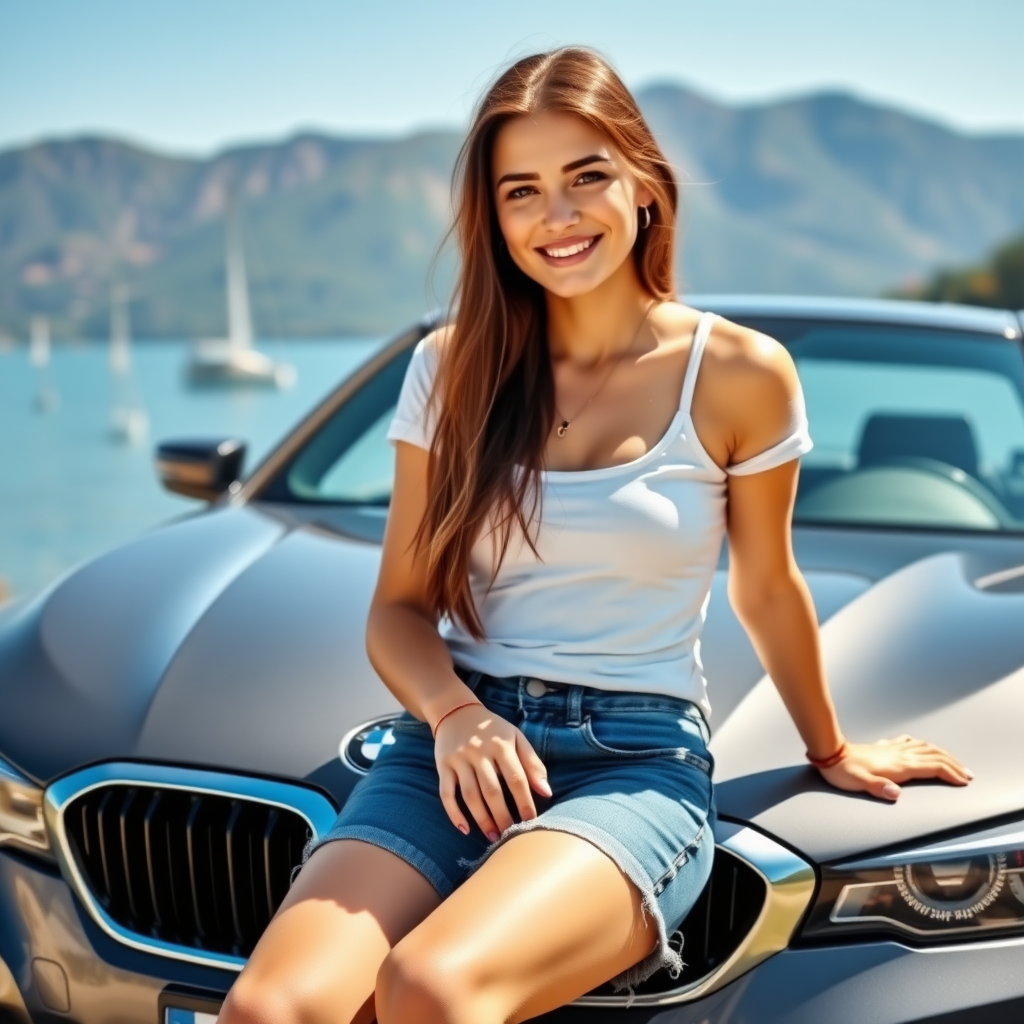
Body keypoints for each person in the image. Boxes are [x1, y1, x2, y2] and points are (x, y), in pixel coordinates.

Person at [219, 47, 971, 1024]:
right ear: (492, 216)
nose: (557, 217)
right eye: (521, 190)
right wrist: (455, 718)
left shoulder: (738, 372)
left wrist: (829, 748)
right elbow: (398, 612)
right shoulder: (449, 368)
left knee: (430, 988)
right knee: (270, 1009)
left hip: (632, 758)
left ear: (644, 187)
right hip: (453, 744)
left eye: (586, 178)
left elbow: (766, 587)